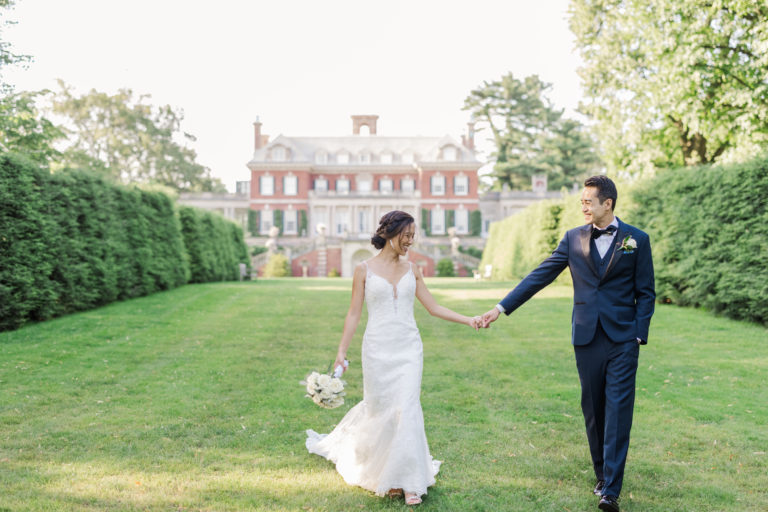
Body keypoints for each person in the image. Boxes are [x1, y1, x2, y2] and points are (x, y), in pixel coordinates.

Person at [480, 176, 655, 512]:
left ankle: (611, 492)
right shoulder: (573, 238)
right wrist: (500, 308)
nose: (584, 206)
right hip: (586, 337)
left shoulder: (637, 240)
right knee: (594, 409)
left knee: (618, 410)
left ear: (608, 203)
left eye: (589, 201)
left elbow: (646, 292)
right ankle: (602, 475)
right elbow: (540, 274)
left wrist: (638, 333)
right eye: (582, 201)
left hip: (623, 339)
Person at [306, 210, 481, 506]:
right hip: (377, 349)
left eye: (413, 236)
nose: (410, 242)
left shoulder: (413, 269)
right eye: (406, 236)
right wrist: (340, 352)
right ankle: (386, 473)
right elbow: (353, 313)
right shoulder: (363, 269)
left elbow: (433, 307)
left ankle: (410, 481)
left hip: (409, 348)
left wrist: (469, 320)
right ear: (390, 233)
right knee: (381, 409)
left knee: (408, 407)